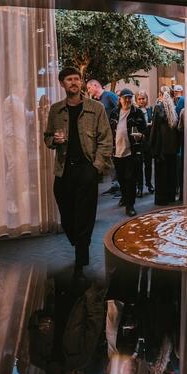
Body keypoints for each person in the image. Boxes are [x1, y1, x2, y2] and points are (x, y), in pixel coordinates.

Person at [45, 67, 113, 278]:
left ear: (81, 82)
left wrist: (96, 167)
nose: (74, 82)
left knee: (85, 214)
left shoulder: (96, 108)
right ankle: (78, 242)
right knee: (66, 214)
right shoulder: (56, 110)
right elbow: (47, 137)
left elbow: (106, 140)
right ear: (62, 84)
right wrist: (54, 140)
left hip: (87, 168)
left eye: (76, 79)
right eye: (69, 79)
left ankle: (81, 258)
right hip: (64, 169)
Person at [109, 88, 147, 216]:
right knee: (121, 178)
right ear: (120, 99)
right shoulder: (114, 113)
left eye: (130, 97)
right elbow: (109, 130)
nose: (128, 100)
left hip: (132, 152)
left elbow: (145, 131)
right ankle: (125, 197)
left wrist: (141, 136)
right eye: (125, 97)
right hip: (117, 152)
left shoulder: (137, 113)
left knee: (130, 179)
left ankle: (130, 205)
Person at [148, 86, 180, 205]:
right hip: (172, 147)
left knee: (161, 174)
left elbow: (154, 128)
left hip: (161, 146)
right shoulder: (173, 107)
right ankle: (171, 197)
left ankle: (162, 200)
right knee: (171, 173)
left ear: (160, 95)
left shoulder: (158, 107)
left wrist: (151, 146)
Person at [135, 90, 155, 196]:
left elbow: (153, 122)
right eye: (139, 99)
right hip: (138, 141)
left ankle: (149, 183)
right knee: (138, 165)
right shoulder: (134, 110)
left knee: (148, 164)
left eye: (143, 98)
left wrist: (150, 124)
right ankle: (140, 187)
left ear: (146, 99)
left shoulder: (150, 109)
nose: (141, 101)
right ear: (136, 100)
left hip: (148, 140)